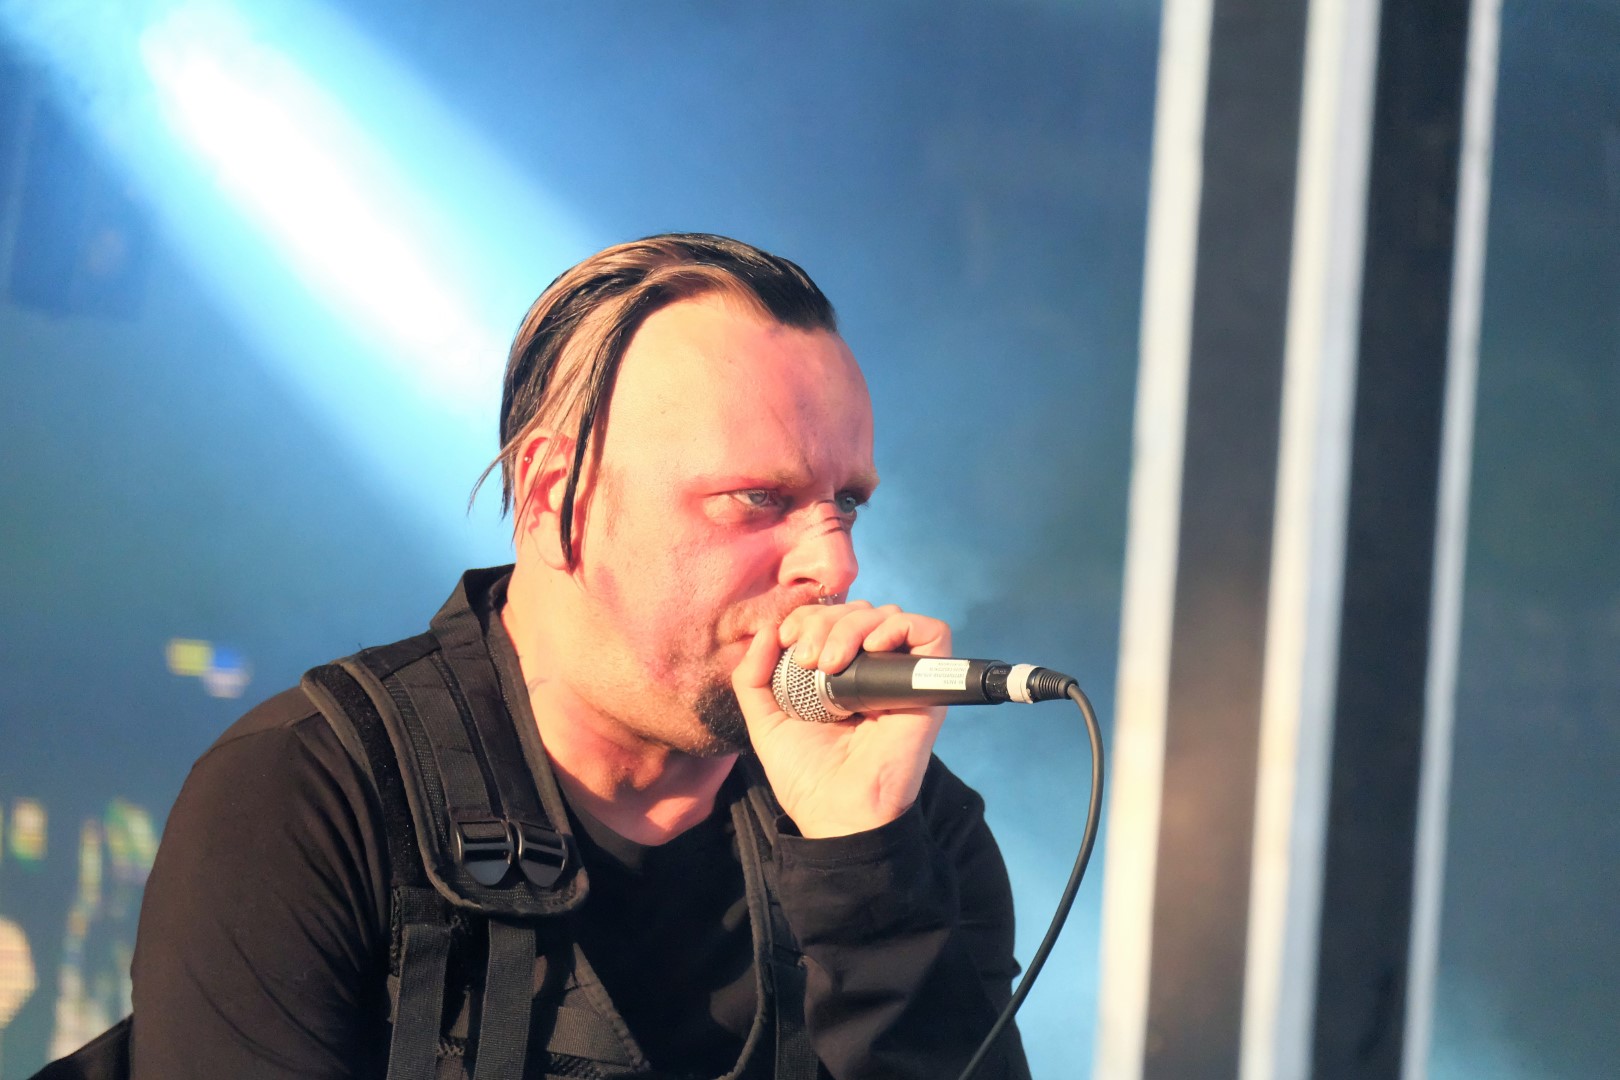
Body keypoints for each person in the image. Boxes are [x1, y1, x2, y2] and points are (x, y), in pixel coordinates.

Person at [128, 234, 1030, 1079]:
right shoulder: (312, 796)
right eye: (758, 497)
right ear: (555, 494)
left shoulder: (903, 827)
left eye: (848, 504)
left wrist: (865, 869)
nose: (835, 565)